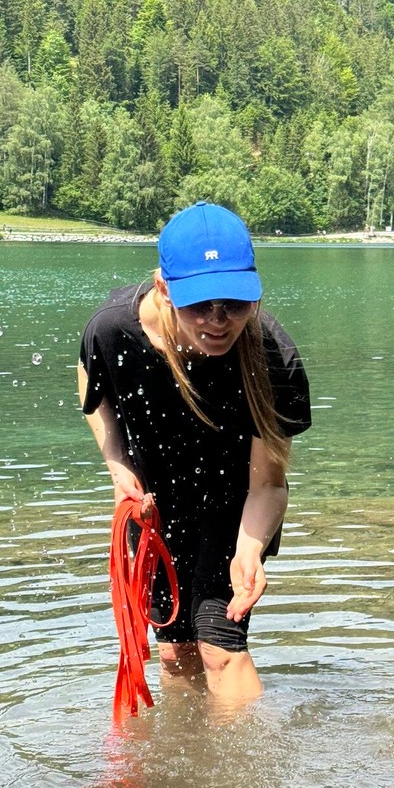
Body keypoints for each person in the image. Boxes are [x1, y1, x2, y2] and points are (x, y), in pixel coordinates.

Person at [78, 202, 311, 704]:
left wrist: (250, 551)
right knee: (173, 650)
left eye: (233, 302)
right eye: (199, 305)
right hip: (158, 501)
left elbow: (268, 483)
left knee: (218, 646)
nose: (217, 320)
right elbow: (92, 395)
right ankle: (188, 765)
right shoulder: (112, 330)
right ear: (165, 288)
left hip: (236, 502)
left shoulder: (272, 357)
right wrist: (117, 464)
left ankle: (245, 775)